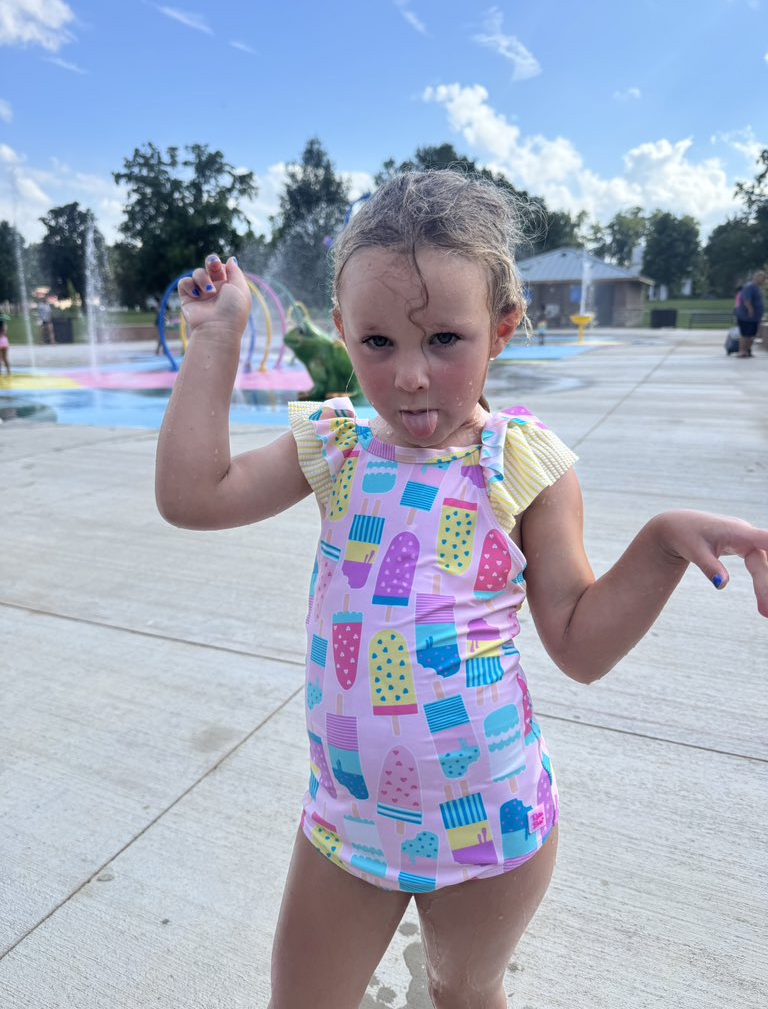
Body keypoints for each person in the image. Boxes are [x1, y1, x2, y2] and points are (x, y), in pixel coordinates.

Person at [155, 171, 768, 1009]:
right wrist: (217, 340)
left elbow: (579, 646)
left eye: (444, 339)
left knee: (463, 993)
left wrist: (659, 546)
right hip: (349, 821)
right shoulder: (337, 447)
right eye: (378, 343)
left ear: (503, 329)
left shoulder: (519, 464)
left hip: (492, 826)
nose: (409, 376)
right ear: (342, 330)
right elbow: (194, 497)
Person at [735, 269, 766, 357]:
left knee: (751, 335)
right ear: (756, 277)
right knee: (745, 334)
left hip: (755, 317)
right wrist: (750, 310)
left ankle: (748, 350)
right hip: (747, 316)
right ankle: (742, 351)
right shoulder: (750, 287)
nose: (764, 280)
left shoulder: (757, 288)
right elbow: (747, 300)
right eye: (763, 278)